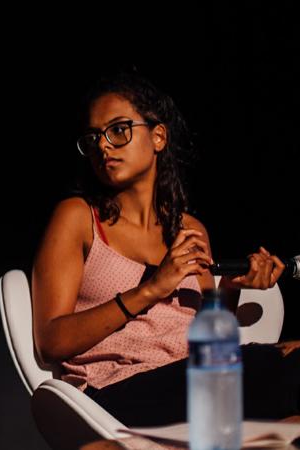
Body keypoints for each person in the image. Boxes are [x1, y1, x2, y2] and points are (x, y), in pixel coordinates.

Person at [31, 71, 300, 426]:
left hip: (194, 379)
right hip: (117, 392)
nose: (103, 145)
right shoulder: (78, 218)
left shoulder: (189, 230)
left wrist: (233, 289)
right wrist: (152, 288)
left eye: (118, 130)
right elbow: (52, 340)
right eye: (93, 137)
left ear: (158, 136)